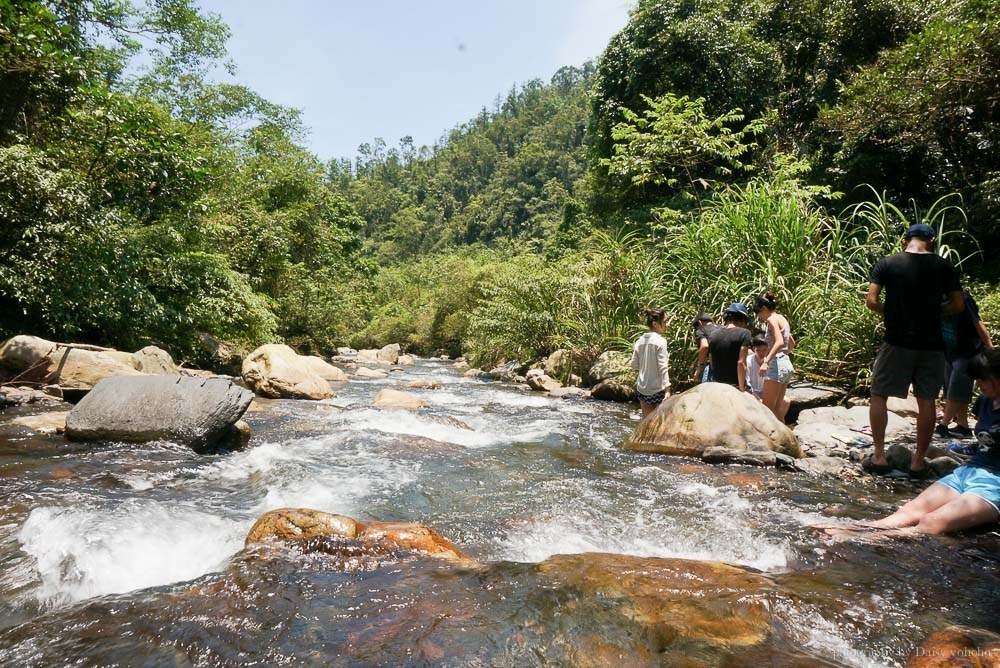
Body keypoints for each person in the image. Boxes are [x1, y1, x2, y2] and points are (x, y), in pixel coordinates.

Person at [819, 350, 1000, 536]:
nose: (978, 384)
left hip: (994, 485)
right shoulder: (985, 401)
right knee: (908, 512)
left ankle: (862, 538)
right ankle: (855, 529)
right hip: (968, 472)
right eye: (977, 379)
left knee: (932, 522)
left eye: (983, 379)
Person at [865, 223, 964, 478]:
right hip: (931, 345)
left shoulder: (888, 263)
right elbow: (958, 304)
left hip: (896, 341)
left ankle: (879, 456)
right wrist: (935, 313)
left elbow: (871, 301)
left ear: (905, 240)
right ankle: (918, 462)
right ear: (931, 241)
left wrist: (892, 314)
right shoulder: (943, 266)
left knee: (879, 394)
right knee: (927, 400)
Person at [937, 290, 995, 438]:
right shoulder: (932, 298)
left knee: (956, 389)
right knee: (953, 388)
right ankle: (963, 426)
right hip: (949, 352)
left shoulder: (962, 298)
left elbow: (978, 324)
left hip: (968, 351)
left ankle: (943, 425)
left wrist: (990, 349)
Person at [754, 291, 796, 421]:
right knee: (777, 410)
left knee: (767, 410)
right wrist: (783, 355)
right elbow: (791, 343)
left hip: (776, 365)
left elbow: (779, 342)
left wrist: (766, 361)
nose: (759, 316)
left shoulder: (772, 319)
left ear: (764, 308)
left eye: (758, 312)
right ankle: (785, 434)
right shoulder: (782, 318)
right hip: (786, 363)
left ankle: (773, 434)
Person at [631, 308, 671, 417]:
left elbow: (634, 364)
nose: (666, 325)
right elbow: (663, 367)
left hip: (642, 388)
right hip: (657, 389)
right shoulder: (661, 341)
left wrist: (646, 366)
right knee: (659, 422)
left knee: (647, 422)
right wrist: (667, 390)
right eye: (664, 322)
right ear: (655, 324)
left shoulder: (639, 341)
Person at [707, 303, 753, 392]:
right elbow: (741, 363)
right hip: (734, 385)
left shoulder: (713, 335)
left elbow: (711, 362)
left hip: (717, 384)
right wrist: (742, 389)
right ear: (742, 319)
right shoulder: (744, 333)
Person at [692, 312, 718, 383]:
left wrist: (699, 367)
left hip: (712, 367)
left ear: (699, 322)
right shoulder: (722, 328)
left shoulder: (701, 330)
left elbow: (704, 346)